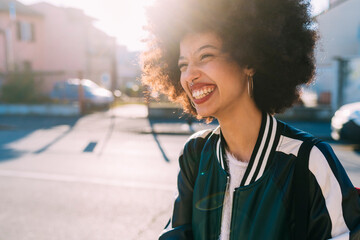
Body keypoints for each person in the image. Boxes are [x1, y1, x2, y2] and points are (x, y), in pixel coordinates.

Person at [141, 0, 360, 239]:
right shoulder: (195, 153)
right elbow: (177, 232)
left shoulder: (308, 160)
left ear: (249, 61)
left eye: (205, 55)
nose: (190, 75)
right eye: (183, 65)